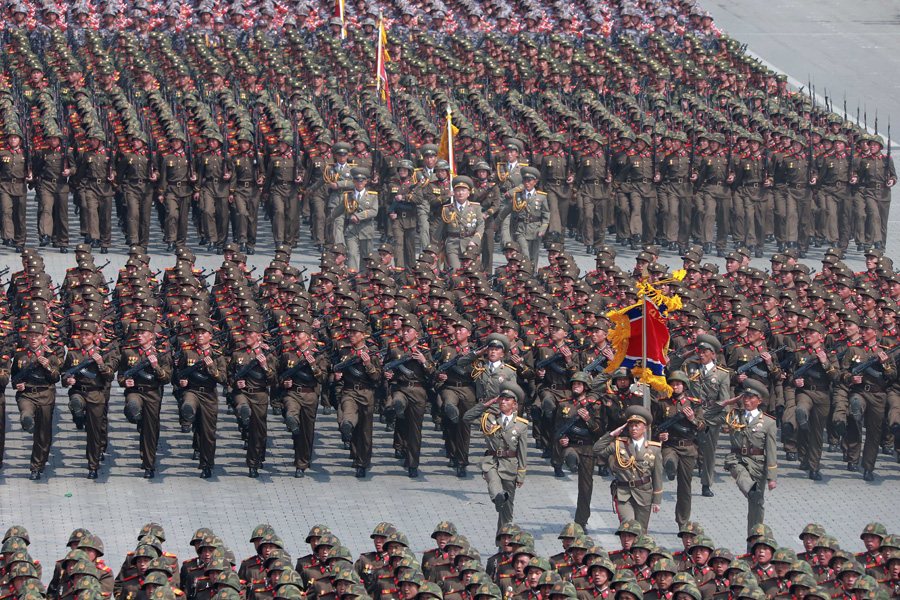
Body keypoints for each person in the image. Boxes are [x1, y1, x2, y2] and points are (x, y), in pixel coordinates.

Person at [463, 381, 528, 537]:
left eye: (507, 400)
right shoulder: (489, 418)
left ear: (514, 404)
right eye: (501, 399)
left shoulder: (521, 425)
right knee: (493, 482)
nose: (503, 402)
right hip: (492, 461)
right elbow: (466, 417)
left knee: (507, 509)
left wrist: (521, 475)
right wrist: (486, 404)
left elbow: (522, 452)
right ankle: (497, 497)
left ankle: (503, 540)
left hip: (510, 466)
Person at [61, 320, 120, 479]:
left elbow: (109, 377)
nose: (83, 337)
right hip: (78, 391)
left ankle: (93, 465)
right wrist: (67, 380)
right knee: (76, 402)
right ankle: (78, 414)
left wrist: (100, 363)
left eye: (87, 335)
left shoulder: (102, 353)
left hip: (95, 394)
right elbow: (64, 374)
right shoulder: (73, 353)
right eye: (81, 334)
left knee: (94, 432)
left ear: (94, 336)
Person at [593, 405, 663, 532]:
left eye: (637, 425)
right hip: (624, 494)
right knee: (628, 528)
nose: (634, 428)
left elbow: (657, 476)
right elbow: (597, 450)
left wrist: (657, 500)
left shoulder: (654, 449)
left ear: (645, 428)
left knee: (641, 532)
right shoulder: (619, 445)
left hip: (644, 494)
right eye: (631, 425)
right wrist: (612, 434)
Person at [174, 319, 228, 479]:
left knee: (207, 432)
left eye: (203, 333)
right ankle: (188, 411)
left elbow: (223, 379)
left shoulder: (217, 354)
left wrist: (212, 368)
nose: (200, 335)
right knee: (189, 402)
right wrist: (181, 381)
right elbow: (178, 372)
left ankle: (207, 465)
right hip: (192, 390)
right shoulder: (187, 351)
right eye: (197, 332)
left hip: (209, 395)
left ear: (210, 336)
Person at [118, 320, 172, 479]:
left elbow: (167, 378)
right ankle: (132, 412)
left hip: (152, 394)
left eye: (143, 333)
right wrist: (124, 382)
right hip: (135, 391)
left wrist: (156, 367)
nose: (139, 336)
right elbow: (121, 375)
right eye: (138, 333)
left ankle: (149, 464)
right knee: (133, 403)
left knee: (149, 430)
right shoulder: (129, 352)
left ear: (152, 336)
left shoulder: (161, 354)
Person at [723, 379, 778, 533]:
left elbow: (771, 450)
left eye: (750, 398)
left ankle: (755, 536)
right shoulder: (734, 416)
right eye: (745, 397)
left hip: (758, 464)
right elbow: (711, 416)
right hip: (737, 459)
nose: (746, 401)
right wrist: (727, 402)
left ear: (759, 401)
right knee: (742, 475)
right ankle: (751, 489)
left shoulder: (768, 422)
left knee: (757, 503)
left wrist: (772, 478)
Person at [652, 371, 704, 528]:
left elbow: (703, 427)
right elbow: (654, 425)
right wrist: (659, 435)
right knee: (669, 459)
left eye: (678, 384)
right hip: (670, 445)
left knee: (685, 488)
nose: (675, 387)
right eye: (672, 384)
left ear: (685, 386)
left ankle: (682, 521)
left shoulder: (693, 404)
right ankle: (670, 467)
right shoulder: (663, 403)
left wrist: (692, 419)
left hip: (687, 447)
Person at [12, 323, 61, 480]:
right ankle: (27, 419)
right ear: (26, 337)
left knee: (42, 433)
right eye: (30, 335)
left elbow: (56, 378)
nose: (33, 339)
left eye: (37, 336)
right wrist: (17, 385)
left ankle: (37, 466)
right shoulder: (20, 355)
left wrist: (47, 367)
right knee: (26, 412)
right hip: (26, 394)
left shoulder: (50, 355)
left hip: (45, 395)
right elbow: (14, 377)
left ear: (43, 337)